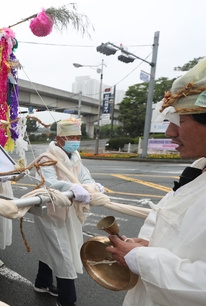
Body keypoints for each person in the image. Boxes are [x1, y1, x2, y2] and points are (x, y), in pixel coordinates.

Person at [106, 57, 206, 306]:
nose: (171, 133)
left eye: (181, 121)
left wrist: (142, 259)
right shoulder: (196, 170)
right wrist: (151, 244)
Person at [32, 118, 104, 306]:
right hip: (51, 214)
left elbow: (84, 176)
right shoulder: (46, 159)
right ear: (59, 138)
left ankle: (42, 283)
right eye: (71, 136)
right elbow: (47, 183)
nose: (76, 140)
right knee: (63, 253)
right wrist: (71, 187)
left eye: (78, 136)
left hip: (69, 213)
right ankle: (67, 299)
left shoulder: (75, 157)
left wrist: (91, 186)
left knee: (51, 249)